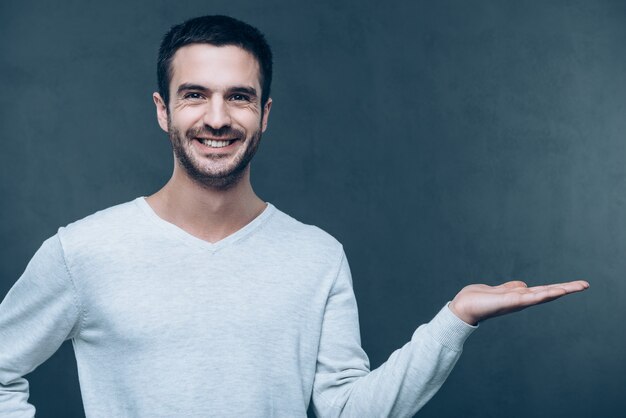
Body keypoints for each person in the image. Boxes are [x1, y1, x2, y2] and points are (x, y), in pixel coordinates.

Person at [0, 15, 588, 417]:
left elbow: (346, 409)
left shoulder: (316, 255)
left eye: (239, 96)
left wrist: (455, 320)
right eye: (194, 94)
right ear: (163, 110)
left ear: (265, 112)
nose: (217, 117)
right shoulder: (84, 252)